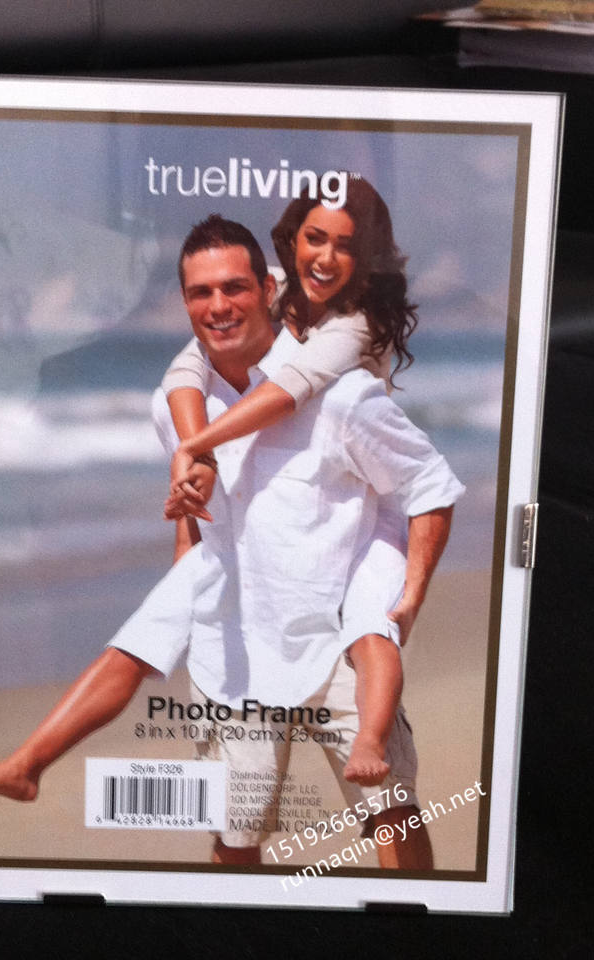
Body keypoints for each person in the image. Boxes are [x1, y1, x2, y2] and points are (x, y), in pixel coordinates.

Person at [0, 216, 463, 869]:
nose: (218, 306)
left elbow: (428, 485)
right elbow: (195, 511)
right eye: (200, 292)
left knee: (390, 809)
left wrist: (407, 595)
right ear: (183, 302)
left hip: (337, 640)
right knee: (236, 835)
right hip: (236, 650)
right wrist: (183, 581)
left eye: (234, 288)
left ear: (268, 289)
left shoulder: (341, 396)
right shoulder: (176, 405)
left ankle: (414, 921)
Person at [162, 177, 420, 785]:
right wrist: (198, 456)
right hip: (278, 519)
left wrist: (195, 447)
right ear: (292, 239)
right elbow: (187, 365)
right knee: (241, 808)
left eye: (346, 245)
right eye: (314, 238)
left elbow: (287, 391)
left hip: (354, 516)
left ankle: (372, 741)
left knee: (369, 632)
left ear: (367, 256)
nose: (325, 258)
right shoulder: (271, 291)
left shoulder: (357, 324)